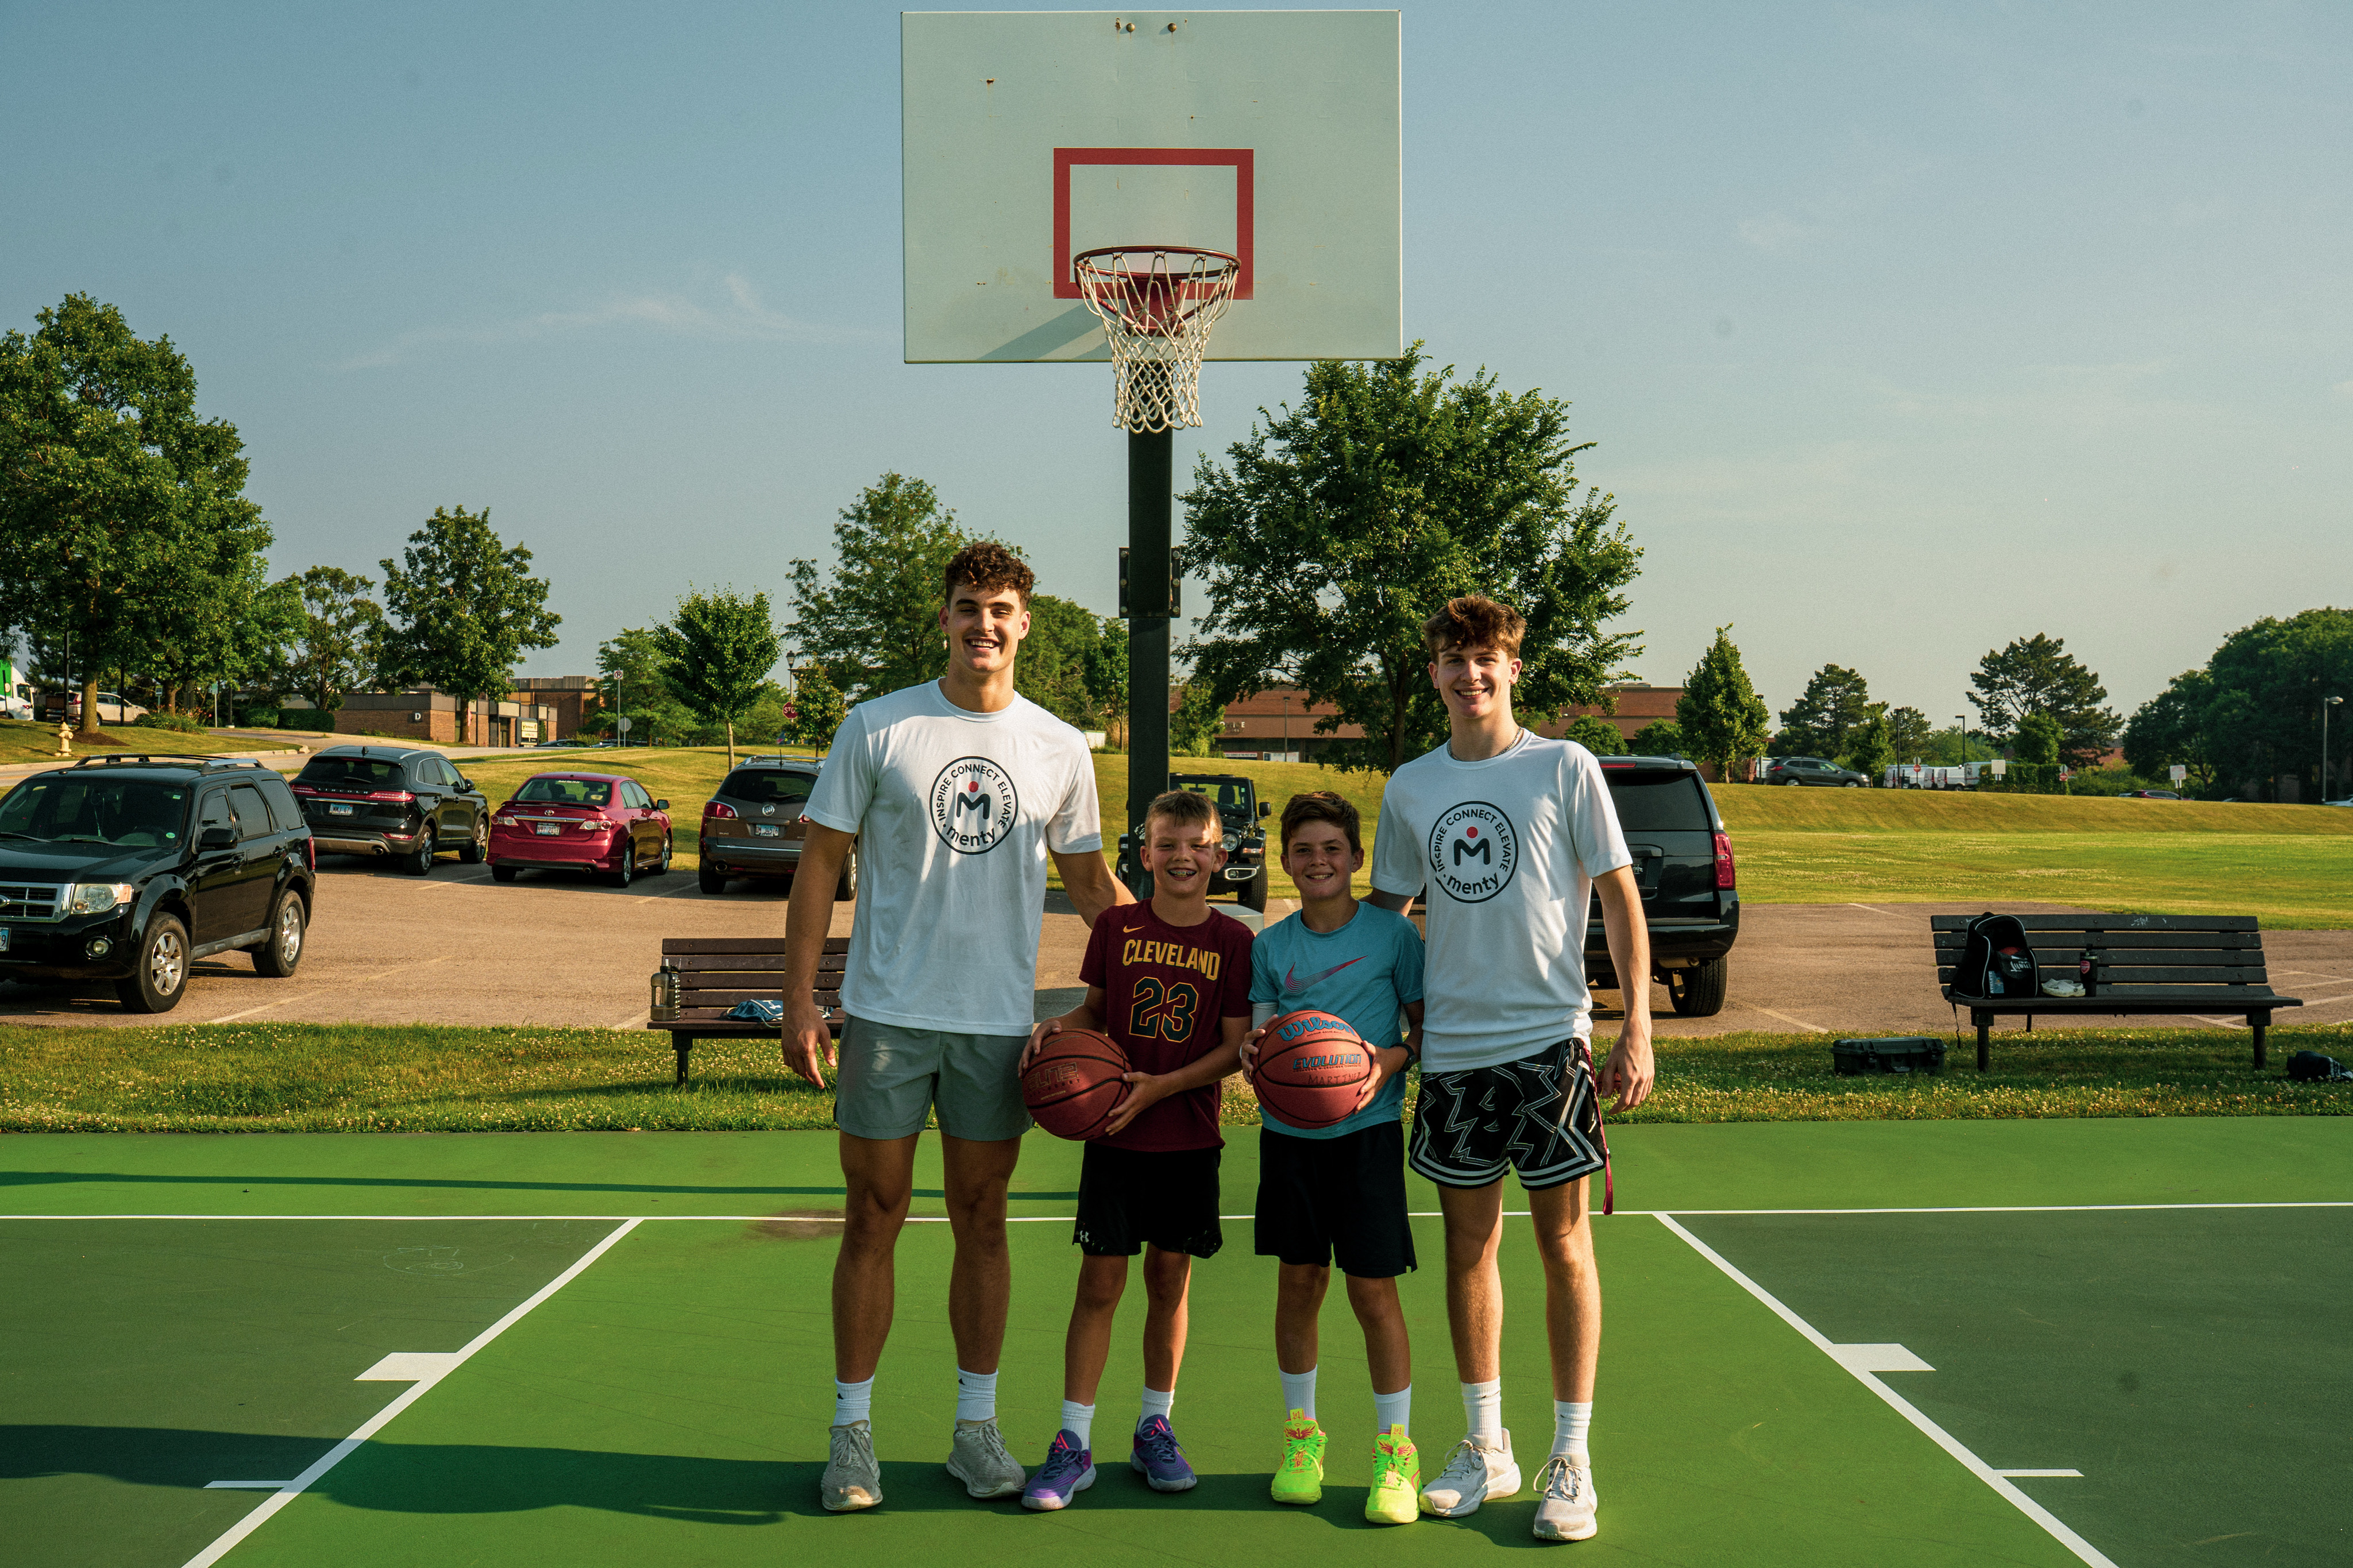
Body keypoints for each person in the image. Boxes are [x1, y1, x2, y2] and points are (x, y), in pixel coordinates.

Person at [782, 540, 1131, 1513]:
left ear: (1026, 624)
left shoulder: (1060, 747)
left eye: (1002, 609)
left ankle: (975, 1431)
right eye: (969, 606)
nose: (985, 623)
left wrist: (1173, 966)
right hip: (890, 1013)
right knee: (874, 1215)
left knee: (983, 1221)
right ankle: (852, 1437)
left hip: (993, 1026)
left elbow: (1093, 885)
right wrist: (804, 996)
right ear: (944, 618)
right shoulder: (878, 727)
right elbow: (820, 867)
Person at [1365, 594, 1654, 1543]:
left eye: (1484, 658)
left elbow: (1618, 897)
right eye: (1452, 659)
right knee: (1467, 1251)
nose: (1469, 673)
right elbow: (1385, 923)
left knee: (1565, 1247)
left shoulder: (1562, 767)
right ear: (1436, 673)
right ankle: (1487, 1446)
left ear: (1512, 668)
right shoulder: (1410, 786)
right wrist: (1364, 1034)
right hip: (1453, 1054)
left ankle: (1571, 1457)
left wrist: (1636, 1027)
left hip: (1549, 1045)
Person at [1014, 789, 1254, 1511]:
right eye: (1166, 845)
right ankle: (1072, 1442)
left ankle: (1155, 1425)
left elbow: (1237, 1048)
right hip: (1114, 1131)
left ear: (1220, 854)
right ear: (1144, 854)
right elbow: (1095, 1008)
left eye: (1197, 845)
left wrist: (1163, 1087)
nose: (1182, 857)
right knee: (1099, 1285)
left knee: (1169, 1283)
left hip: (1186, 1133)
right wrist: (1060, 1027)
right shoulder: (1116, 926)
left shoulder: (1235, 941)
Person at [1240, 790, 1426, 1524]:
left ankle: (1395, 1451)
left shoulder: (1393, 937)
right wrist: (1256, 1053)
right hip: (1290, 1141)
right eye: (1303, 851)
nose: (1318, 861)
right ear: (1284, 863)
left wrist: (1390, 1059)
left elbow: (1422, 1027)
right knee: (1298, 1285)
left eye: (1331, 849)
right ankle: (1301, 1438)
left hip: (1369, 1135)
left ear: (1354, 859)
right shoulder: (1270, 947)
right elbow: (1258, 1040)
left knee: (1373, 1293)